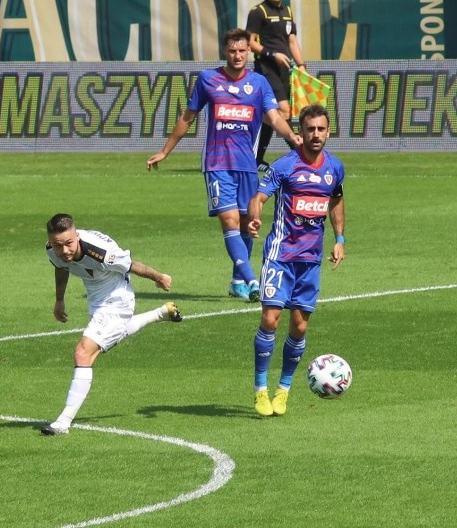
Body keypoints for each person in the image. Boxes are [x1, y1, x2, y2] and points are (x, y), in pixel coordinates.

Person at [146, 28, 301, 303]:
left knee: (247, 223)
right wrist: (165, 151)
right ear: (224, 51)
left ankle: (237, 281)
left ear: (247, 51)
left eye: (242, 50)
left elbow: (274, 118)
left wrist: (292, 136)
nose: (238, 55)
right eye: (233, 51)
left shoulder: (259, 83)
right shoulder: (208, 79)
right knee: (228, 220)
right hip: (217, 163)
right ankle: (253, 280)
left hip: (247, 165)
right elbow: (188, 117)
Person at [42, 213, 183, 435]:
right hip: (95, 296)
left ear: (76, 236)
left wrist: (159, 276)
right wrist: (59, 299)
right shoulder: (53, 250)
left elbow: (131, 266)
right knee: (104, 342)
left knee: (83, 353)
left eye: (69, 243)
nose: (65, 250)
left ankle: (63, 421)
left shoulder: (100, 253)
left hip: (118, 299)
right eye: (59, 245)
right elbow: (60, 266)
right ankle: (160, 314)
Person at [246, 104, 345, 417]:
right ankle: (261, 389)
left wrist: (340, 239)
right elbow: (258, 197)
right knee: (270, 319)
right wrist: (254, 219)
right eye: (309, 129)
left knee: (300, 326)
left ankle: (283, 390)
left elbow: (337, 200)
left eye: (320, 129)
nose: (315, 135)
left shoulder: (334, 168)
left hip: (310, 260)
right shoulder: (284, 166)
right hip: (280, 255)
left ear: (328, 132)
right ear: (300, 132)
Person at [246, 0, 306, 172]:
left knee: (269, 115)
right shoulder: (258, 11)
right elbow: (249, 42)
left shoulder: (287, 10)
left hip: (284, 70)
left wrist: (301, 64)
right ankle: (301, 153)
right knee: (283, 110)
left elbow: (292, 40)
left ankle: (256, 158)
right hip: (266, 68)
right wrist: (272, 54)